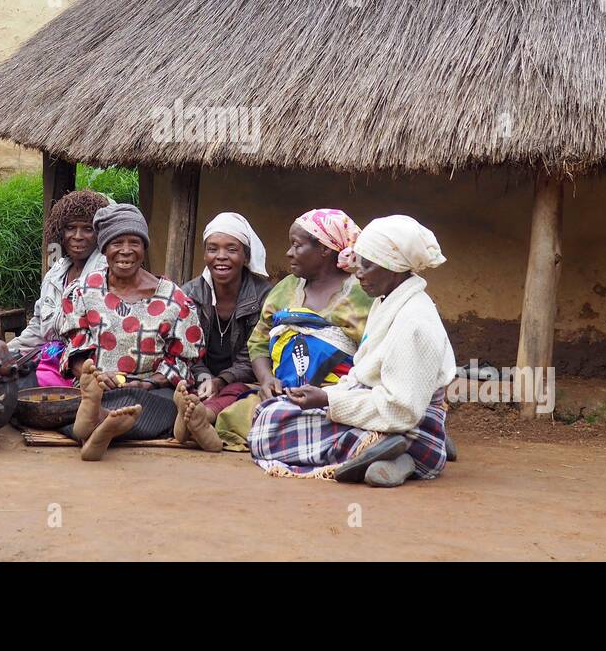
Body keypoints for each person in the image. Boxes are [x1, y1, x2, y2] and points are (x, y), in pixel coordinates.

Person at [249, 215, 456, 487]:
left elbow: (402, 411)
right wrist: (327, 395)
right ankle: (385, 458)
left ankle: (400, 455)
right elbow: (363, 374)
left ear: (393, 267)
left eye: (367, 265)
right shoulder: (386, 303)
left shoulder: (414, 321)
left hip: (413, 430)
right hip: (381, 415)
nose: (358, 273)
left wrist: (327, 400)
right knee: (271, 414)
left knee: (267, 434)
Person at [212, 208, 373, 448]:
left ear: (325, 249)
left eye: (297, 245)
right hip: (285, 392)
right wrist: (266, 379)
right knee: (242, 411)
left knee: (325, 421)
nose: (288, 253)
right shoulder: (286, 289)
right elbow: (258, 342)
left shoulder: (363, 296)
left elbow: (375, 356)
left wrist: (336, 394)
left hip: (337, 396)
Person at [58, 203, 202, 460]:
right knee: (70, 403)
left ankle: (99, 426)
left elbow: (182, 360)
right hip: (98, 387)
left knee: (164, 408)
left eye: (134, 242)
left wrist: (147, 382)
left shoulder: (174, 299)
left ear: (144, 248)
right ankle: (99, 418)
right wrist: (95, 376)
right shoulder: (84, 291)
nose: (125, 251)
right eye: (116, 243)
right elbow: (75, 348)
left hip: (150, 390)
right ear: (104, 249)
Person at [172, 213, 273, 452]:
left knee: (240, 394)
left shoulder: (263, 296)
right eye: (212, 249)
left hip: (242, 380)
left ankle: (202, 417)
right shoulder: (191, 294)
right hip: (200, 379)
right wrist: (204, 377)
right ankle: (195, 414)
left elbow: (255, 352)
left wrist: (221, 379)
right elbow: (185, 348)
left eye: (231, 249)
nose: (221, 257)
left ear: (246, 256)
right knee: (180, 390)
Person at [9, 189, 110, 388]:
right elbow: (38, 329)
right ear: (60, 231)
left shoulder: (107, 274)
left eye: (88, 229)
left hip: (85, 368)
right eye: (71, 228)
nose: (78, 236)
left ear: (101, 233)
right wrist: (4, 352)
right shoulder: (56, 273)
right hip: (49, 359)